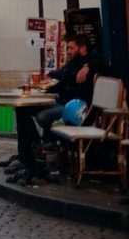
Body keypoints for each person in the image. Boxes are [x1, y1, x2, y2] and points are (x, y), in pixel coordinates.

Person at [10, 35, 107, 185]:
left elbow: (104, 65)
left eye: (71, 48)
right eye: (67, 48)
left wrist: (89, 66)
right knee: (22, 109)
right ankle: (31, 153)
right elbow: (61, 82)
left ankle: (39, 152)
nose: (68, 51)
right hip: (60, 101)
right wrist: (43, 92)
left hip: (73, 107)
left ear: (83, 49)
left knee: (42, 117)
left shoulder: (90, 63)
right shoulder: (72, 64)